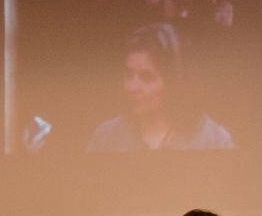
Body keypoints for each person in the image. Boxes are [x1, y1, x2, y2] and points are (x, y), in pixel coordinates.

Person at [86, 23, 234, 151]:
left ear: (175, 81)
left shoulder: (214, 140)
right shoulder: (106, 137)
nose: (132, 87)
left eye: (147, 77)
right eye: (129, 75)